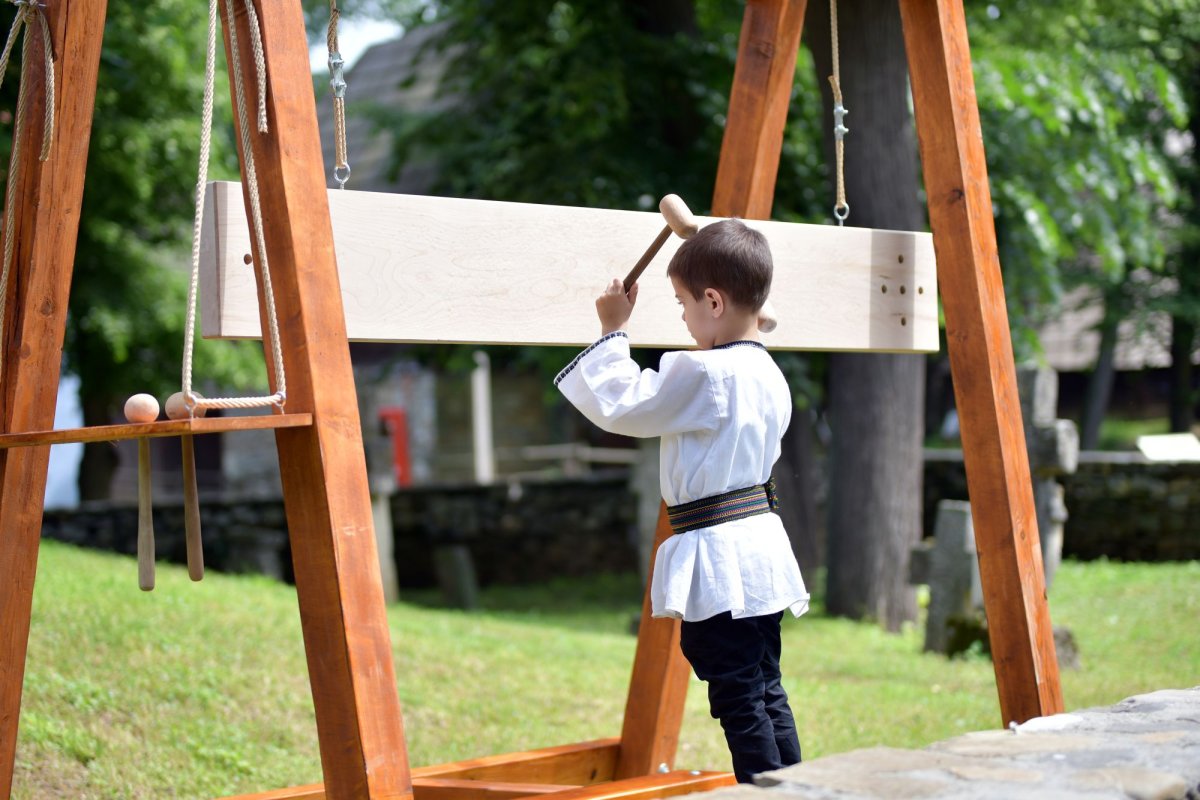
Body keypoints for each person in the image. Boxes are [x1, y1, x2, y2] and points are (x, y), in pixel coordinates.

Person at [554, 218, 809, 784]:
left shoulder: (705, 373)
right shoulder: (766, 370)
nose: (683, 319)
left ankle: (769, 795)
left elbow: (625, 403)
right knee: (763, 685)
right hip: (759, 549)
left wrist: (613, 329)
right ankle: (793, 789)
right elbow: (744, 325)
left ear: (714, 302)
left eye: (682, 304)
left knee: (739, 693)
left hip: (723, 558)